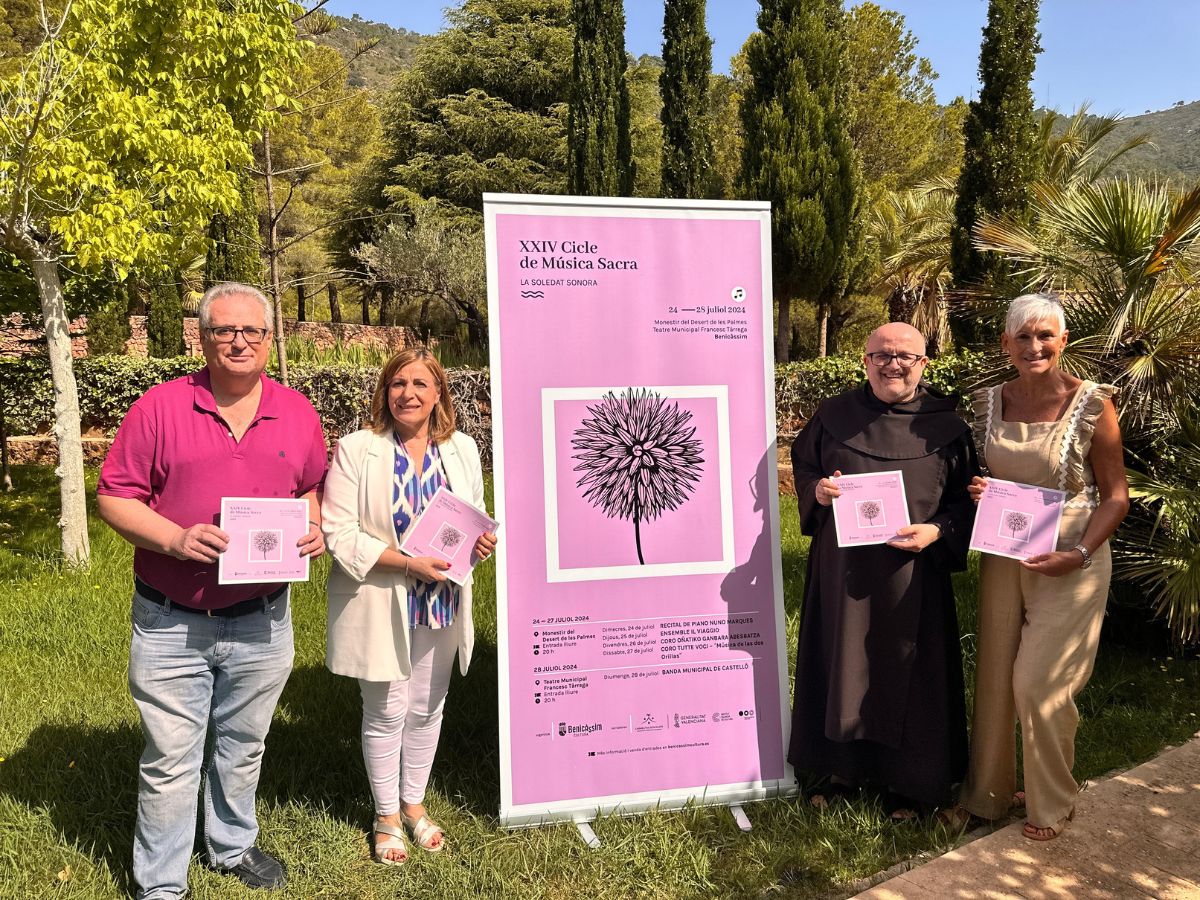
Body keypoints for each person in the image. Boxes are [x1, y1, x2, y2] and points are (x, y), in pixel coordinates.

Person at [97, 283, 327, 899]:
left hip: (263, 618)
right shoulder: (159, 408)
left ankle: (230, 846)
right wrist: (173, 539)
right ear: (203, 338)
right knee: (170, 760)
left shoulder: (298, 412)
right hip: (174, 618)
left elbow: (314, 488)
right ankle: (162, 884)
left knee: (244, 744)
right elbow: (115, 496)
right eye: (224, 330)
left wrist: (317, 526)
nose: (239, 341)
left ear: (270, 339)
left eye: (251, 331)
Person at [955, 293, 1128, 840]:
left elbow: (1117, 496)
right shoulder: (987, 404)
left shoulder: (1093, 404)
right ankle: (987, 796)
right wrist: (985, 489)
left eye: (1045, 335)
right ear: (1005, 345)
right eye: (1023, 337)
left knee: (1038, 684)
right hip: (1006, 552)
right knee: (996, 681)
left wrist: (1077, 555)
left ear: (1063, 342)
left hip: (1072, 559)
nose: (1035, 346)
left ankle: (1052, 801)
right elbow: (996, 480)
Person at [788, 322, 977, 818]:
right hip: (843, 572)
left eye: (906, 356)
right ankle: (842, 769)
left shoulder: (948, 427)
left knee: (910, 669)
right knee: (843, 663)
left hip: (914, 575)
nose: (893, 363)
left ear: (924, 365)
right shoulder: (833, 416)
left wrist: (937, 532)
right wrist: (818, 493)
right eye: (882, 354)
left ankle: (910, 780)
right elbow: (804, 468)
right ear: (866, 360)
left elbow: (967, 501)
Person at [322, 348, 497, 865]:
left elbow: (475, 515)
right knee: (386, 710)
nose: (408, 394)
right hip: (383, 595)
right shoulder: (358, 448)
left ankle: (415, 805)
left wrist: (481, 543)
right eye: (398, 383)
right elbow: (339, 531)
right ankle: (386, 817)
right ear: (385, 391)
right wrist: (405, 564)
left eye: (420, 384)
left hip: (441, 600)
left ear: (438, 392)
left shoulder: (461, 448)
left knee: (426, 707)